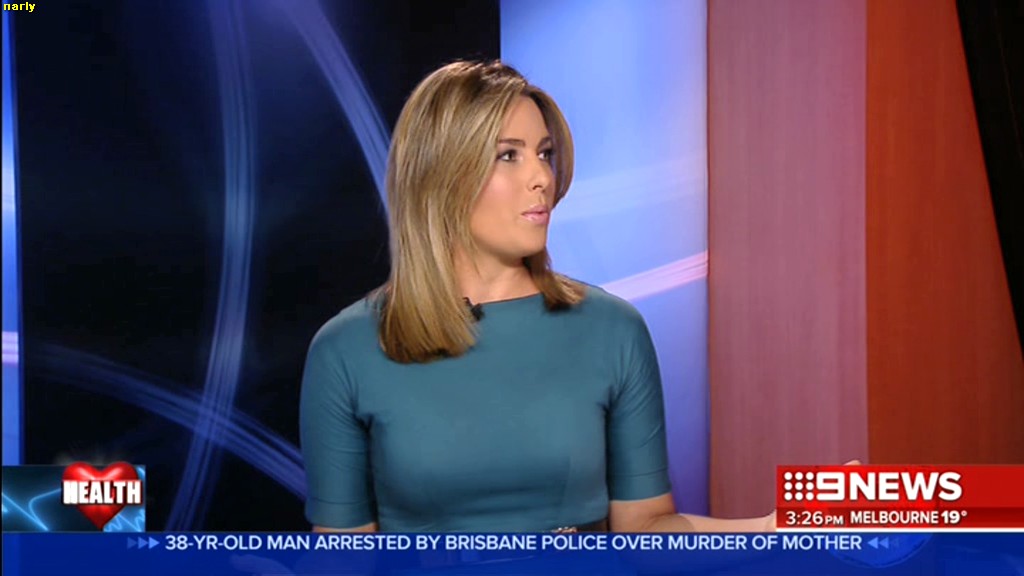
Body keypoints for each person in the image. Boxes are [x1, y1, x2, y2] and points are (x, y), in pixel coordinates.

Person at [300, 60, 776, 533]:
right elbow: (345, 560)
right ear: (441, 173)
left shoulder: (612, 329)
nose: (543, 178)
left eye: (544, 154)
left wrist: (772, 528)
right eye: (509, 155)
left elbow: (646, 530)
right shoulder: (348, 349)